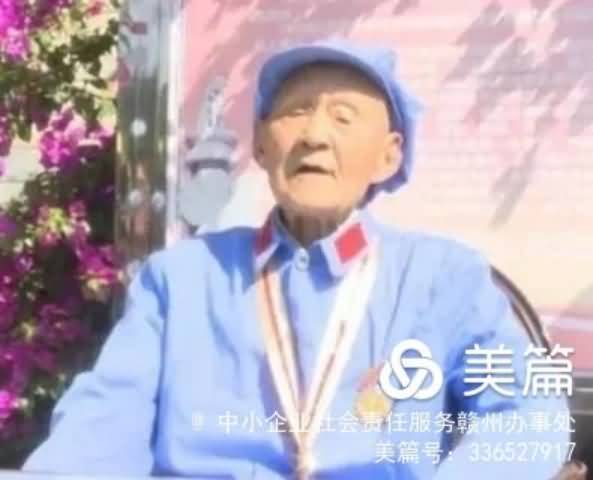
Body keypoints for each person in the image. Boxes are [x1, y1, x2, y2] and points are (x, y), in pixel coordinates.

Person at [23, 39, 571, 479]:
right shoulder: (180, 279)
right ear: (262, 145)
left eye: (343, 117)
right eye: (296, 112)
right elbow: (102, 422)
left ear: (388, 156)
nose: (314, 135)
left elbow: (529, 416)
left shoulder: (445, 278)